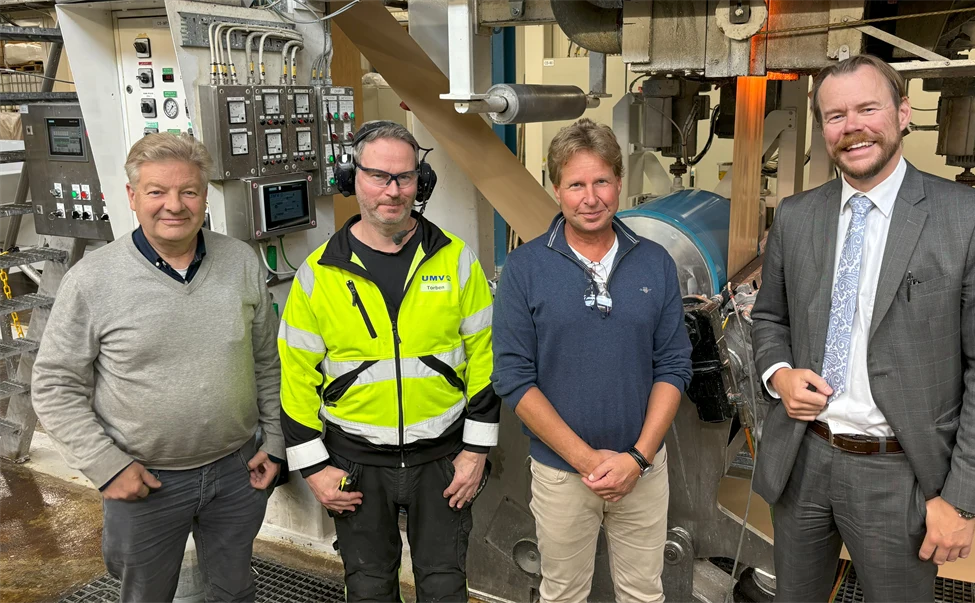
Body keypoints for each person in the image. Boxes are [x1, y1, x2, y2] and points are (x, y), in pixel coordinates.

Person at [751, 54, 975, 602]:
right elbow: (769, 318)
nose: (852, 127)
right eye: (834, 116)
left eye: (867, 109)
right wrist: (779, 374)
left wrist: (962, 500)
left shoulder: (971, 219)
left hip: (900, 473)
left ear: (903, 113)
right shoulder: (798, 217)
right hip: (804, 460)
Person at [32, 133, 284, 603]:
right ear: (132, 197)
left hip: (237, 473)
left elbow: (266, 361)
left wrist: (274, 441)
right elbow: (54, 386)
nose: (175, 205)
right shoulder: (91, 280)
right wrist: (108, 466)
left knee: (234, 591)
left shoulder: (240, 262)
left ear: (204, 196)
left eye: (189, 191)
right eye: (156, 192)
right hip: (144, 482)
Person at [278, 120, 499, 602]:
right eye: (378, 176)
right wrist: (314, 467)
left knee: (444, 586)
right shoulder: (318, 274)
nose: (393, 191)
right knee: (369, 587)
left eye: (405, 177)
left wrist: (476, 452)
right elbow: (295, 379)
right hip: (354, 464)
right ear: (351, 178)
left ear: (422, 181)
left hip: (442, 459)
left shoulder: (457, 260)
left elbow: (486, 359)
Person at [492, 117, 693, 603]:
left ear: (619, 183)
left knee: (644, 593)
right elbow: (514, 380)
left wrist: (637, 458)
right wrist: (587, 462)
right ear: (556, 188)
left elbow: (673, 365)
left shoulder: (655, 262)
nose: (591, 197)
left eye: (601, 181)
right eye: (576, 184)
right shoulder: (525, 269)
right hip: (562, 475)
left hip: (642, 471)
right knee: (563, 594)